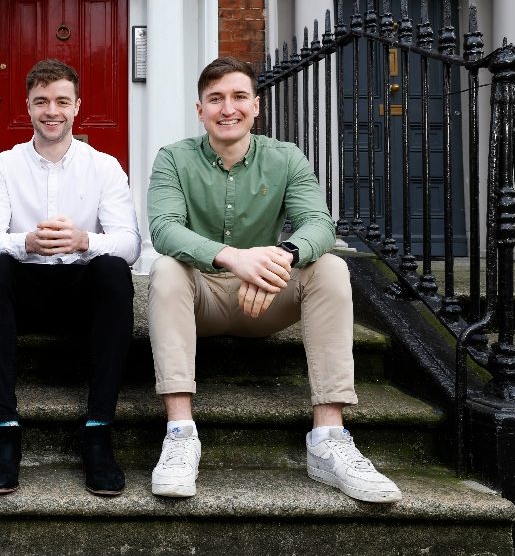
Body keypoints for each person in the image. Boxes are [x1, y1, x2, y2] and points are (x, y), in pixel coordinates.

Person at [146, 55, 401, 503]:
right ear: (200, 109)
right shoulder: (173, 158)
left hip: (263, 301)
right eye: (216, 99)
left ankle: (328, 440)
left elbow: (319, 224)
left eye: (239, 97)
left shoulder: (286, 158)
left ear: (256, 105)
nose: (228, 108)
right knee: (166, 268)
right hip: (200, 297)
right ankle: (181, 434)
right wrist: (233, 258)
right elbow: (165, 229)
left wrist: (280, 259)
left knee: (331, 267)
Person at [0, 59, 141, 496]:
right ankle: (5, 431)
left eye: (62, 101)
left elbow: (129, 242)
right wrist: (24, 242)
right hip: (25, 291)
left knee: (113, 269)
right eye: (41, 101)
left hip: (80, 291)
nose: (52, 110)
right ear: (27, 107)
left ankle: (98, 431)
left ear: (77, 106)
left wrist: (86, 240)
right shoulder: (3, 166)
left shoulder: (104, 167)